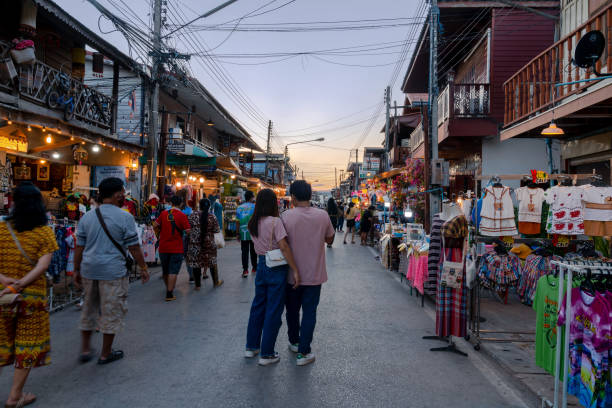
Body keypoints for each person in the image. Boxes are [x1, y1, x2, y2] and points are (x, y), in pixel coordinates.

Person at [75, 177, 149, 367]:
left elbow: (79, 247)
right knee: (112, 310)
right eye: (123, 192)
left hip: (89, 269)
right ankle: (105, 354)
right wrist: (143, 267)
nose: (124, 195)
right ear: (117, 195)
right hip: (113, 272)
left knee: (88, 309)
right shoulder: (125, 217)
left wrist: (76, 269)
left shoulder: (88, 216)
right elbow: (134, 247)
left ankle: (85, 349)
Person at [0, 183, 58, 408]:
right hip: (30, 299)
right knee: (27, 346)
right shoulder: (44, 232)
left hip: (2, 297)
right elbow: (43, 266)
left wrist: (4, 280)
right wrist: (20, 284)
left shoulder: (2, 229)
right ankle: (14, 397)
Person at [281, 181, 335, 366]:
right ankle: (304, 352)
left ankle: (295, 342)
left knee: (292, 311)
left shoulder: (286, 216)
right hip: (314, 274)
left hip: (291, 274)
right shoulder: (322, 215)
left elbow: (282, 243)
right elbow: (330, 238)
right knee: (310, 312)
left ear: (293, 197)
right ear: (310, 195)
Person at [245, 189, 300, 366]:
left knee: (258, 306)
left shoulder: (253, 222)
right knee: (274, 309)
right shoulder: (275, 222)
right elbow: (283, 246)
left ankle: (251, 346)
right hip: (276, 266)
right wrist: (295, 269)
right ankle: (267, 353)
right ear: (272, 203)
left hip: (261, 265)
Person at [154, 195, 190, 301]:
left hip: (163, 247)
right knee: (173, 270)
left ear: (171, 203)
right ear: (181, 204)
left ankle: (169, 288)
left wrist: (161, 232)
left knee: (165, 271)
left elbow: (155, 225)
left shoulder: (163, 213)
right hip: (176, 247)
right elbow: (188, 231)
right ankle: (169, 293)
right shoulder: (182, 216)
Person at [186, 198, 223, 289]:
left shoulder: (192, 216)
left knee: (196, 263)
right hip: (208, 244)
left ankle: (197, 285)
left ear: (199, 205)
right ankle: (216, 282)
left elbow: (187, 228)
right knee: (212, 262)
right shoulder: (212, 217)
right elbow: (217, 230)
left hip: (195, 245)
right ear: (209, 206)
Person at [236, 191, 257, 278]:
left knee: (244, 251)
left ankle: (245, 270)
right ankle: (254, 268)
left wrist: (237, 233)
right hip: (253, 232)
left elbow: (237, 222)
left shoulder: (239, 208)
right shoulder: (255, 207)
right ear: (252, 197)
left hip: (243, 232)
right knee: (253, 251)